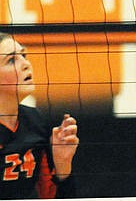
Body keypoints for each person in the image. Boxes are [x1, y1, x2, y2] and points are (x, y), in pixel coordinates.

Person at [0, 32, 79, 199]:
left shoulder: (36, 122)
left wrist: (62, 165)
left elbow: (50, 196)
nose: (26, 64)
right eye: (11, 60)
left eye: (23, 55)